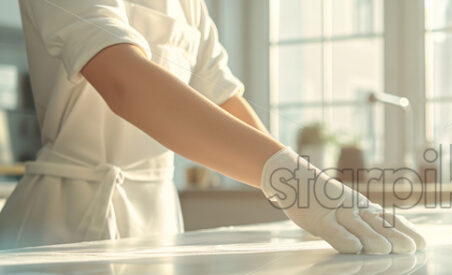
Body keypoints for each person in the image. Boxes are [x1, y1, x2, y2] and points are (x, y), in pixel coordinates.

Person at [0, 0, 426, 254]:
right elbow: (123, 81)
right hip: (60, 226)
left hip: (158, 222)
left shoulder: (191, 5)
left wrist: (302, 189)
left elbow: (223, 98)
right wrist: (293, 182)